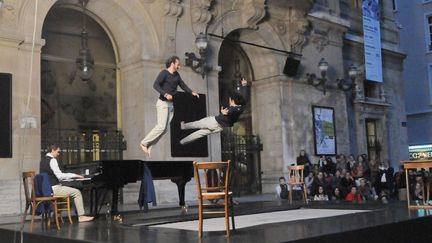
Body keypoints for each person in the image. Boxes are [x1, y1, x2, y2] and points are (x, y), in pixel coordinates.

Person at [140, 56, 200, 156]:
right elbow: (155, 85)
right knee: (161, 127)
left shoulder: (177, 75)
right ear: (172, 63)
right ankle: (143, 143)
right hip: (162, 104)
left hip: (170, 105)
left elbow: (183, 85)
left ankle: (150, 146)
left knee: (164, 130)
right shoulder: (164, 73)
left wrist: (192, 92)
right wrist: (165, 94)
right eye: (178, 63)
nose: (179, 65)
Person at [179, 78, 249, 145]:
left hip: (213, 122)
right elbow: (245, 99)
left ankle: (184, 126)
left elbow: (232, 110)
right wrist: (244, 86)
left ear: (233, 101)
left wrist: (226, 112)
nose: (229, 102)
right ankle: (182, 142)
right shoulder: (241, 107)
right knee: (199, 134)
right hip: (219, 128)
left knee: (198, 123)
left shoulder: (233, 109)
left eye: (230, 100)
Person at [39, 145, 94, 222]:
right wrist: (75, 175)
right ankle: (81, 216)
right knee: (77, 192)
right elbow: (60, 176)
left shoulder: (43, 160)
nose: (58, 154)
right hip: (53, 189)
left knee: (63, 195)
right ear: (52, 150)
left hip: (46, 189)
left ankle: (55, 217)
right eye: (58, 152)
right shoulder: (52, 160)